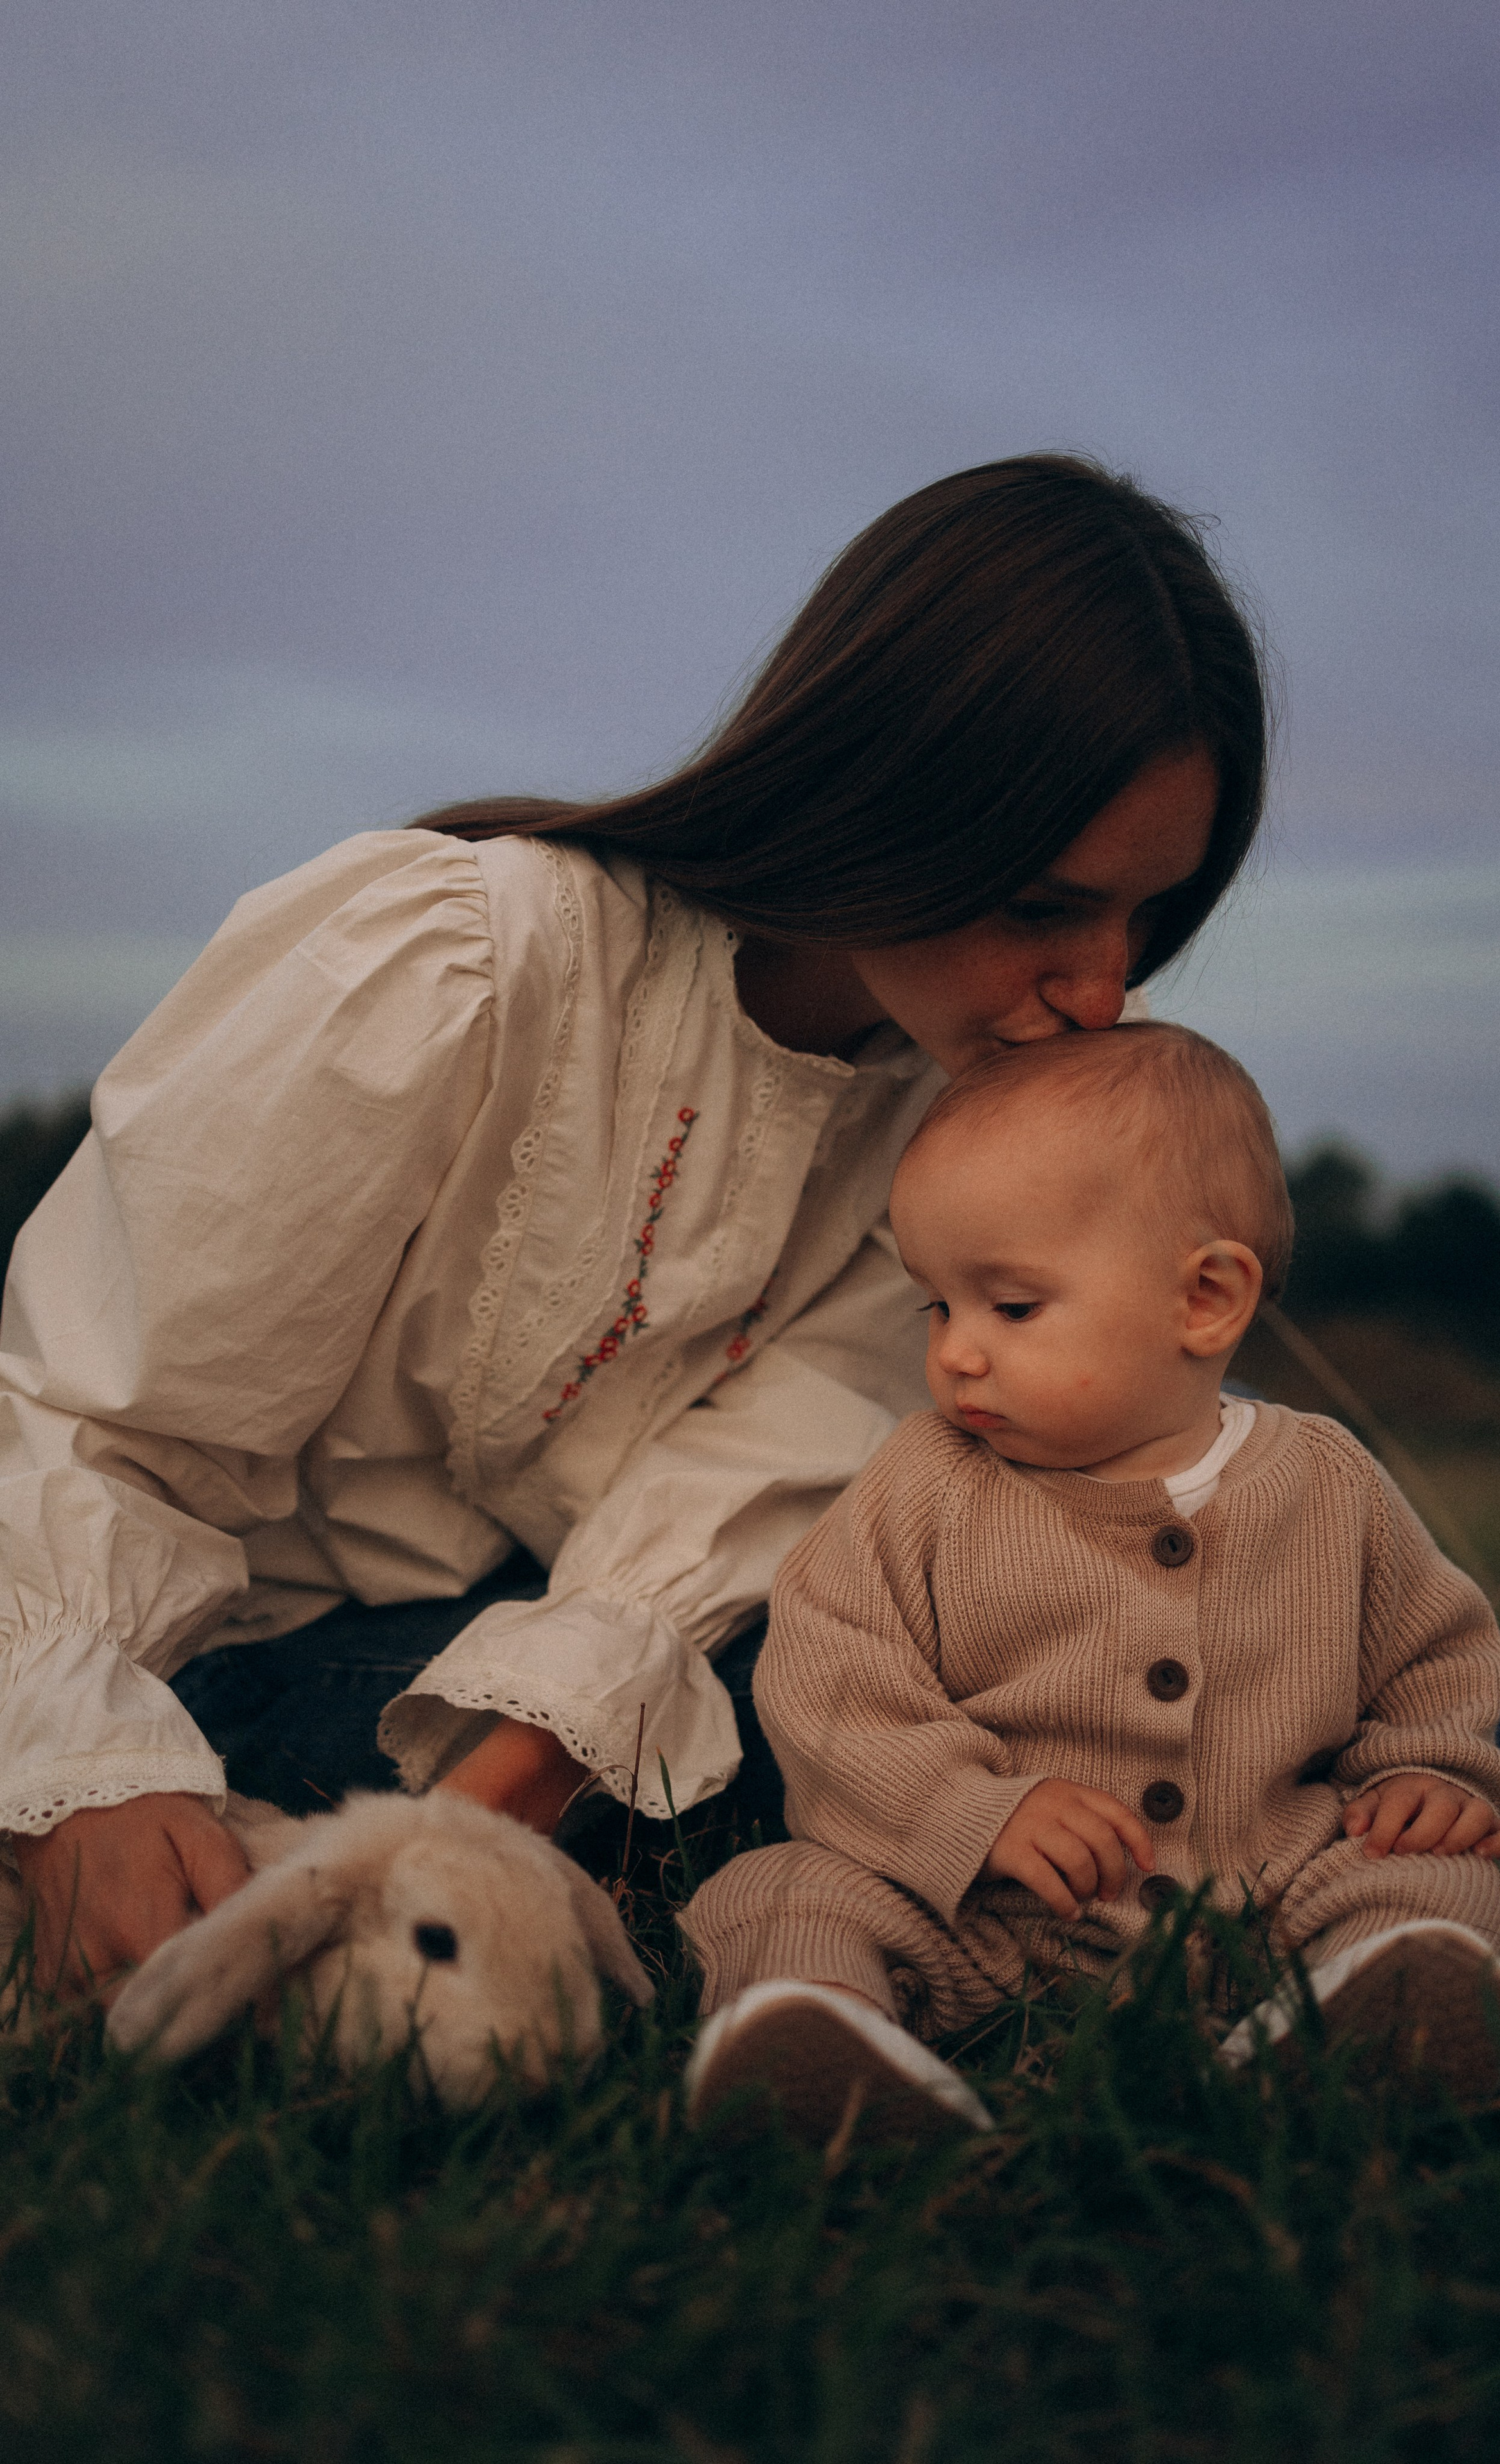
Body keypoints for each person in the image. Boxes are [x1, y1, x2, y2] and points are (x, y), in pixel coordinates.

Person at [0, 454, 1268, 1994]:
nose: (1100, 990)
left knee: (1194, 1600)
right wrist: (79, 1759)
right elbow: (100, 1417)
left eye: (1144, 918)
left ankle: (1468, 1858)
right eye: (1046, 905)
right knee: (1004, 1708)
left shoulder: (952, 1130)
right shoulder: (454, 956)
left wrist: (475, 1833)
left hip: (553, 1709)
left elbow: (712, 1546)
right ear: (890, 791)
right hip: (229, 1675)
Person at [680, 1027, 1500, 2142]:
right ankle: (825, 2044)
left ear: (1207, 1299)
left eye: (1012, 1308)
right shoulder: (925, 1481)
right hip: (992, 1920)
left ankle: (1355, 2019)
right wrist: (972, 1812)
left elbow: (1434, 1651)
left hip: (1269, 1900)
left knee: (1448, 1893)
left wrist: (1426, 1768)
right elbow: (832, 1671)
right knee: (779, 1894)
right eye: (938, 1305)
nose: (957, 1354)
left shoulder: (1327, 1484)